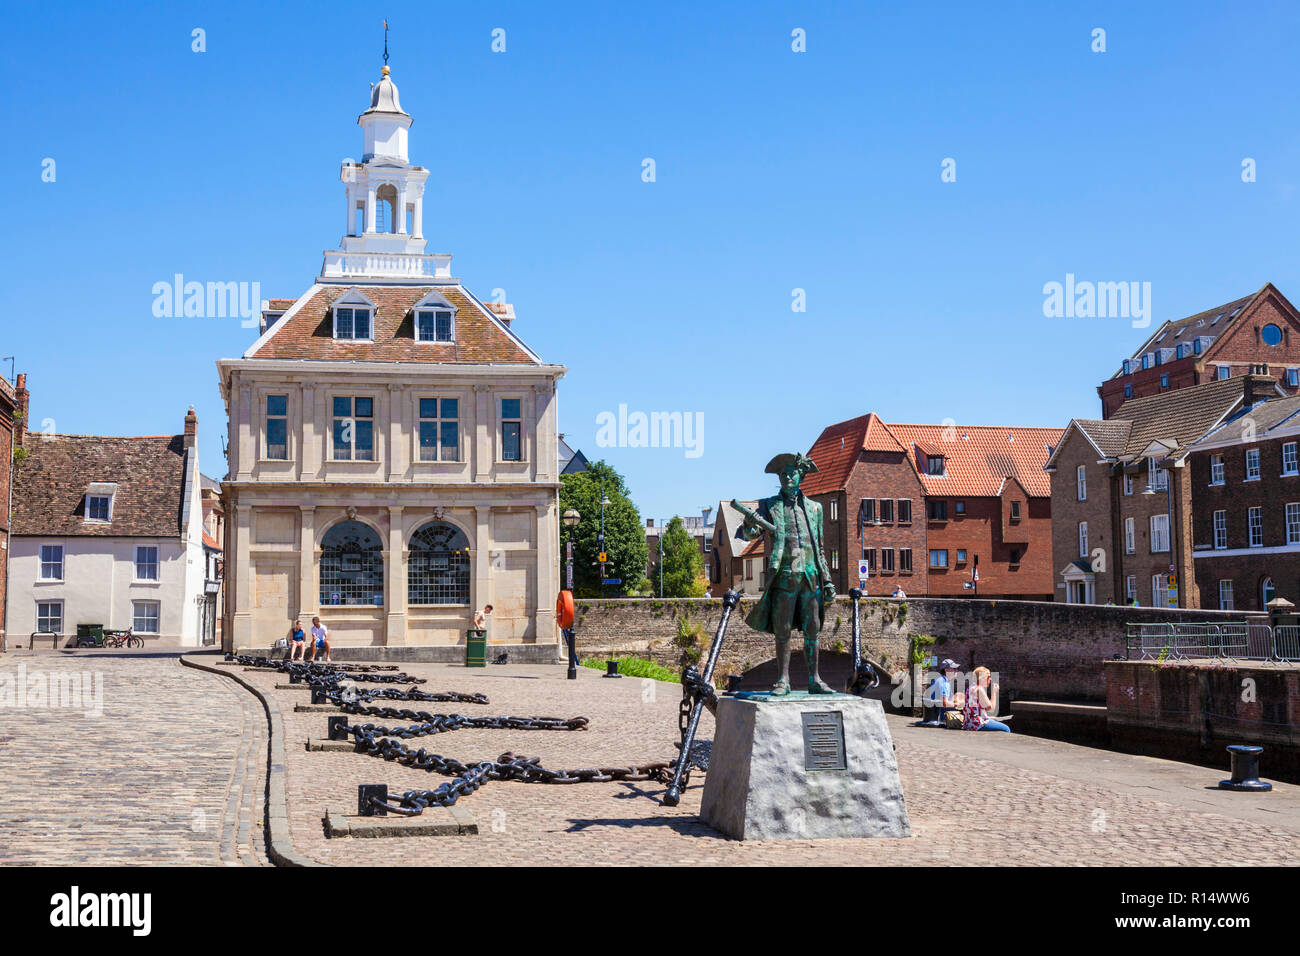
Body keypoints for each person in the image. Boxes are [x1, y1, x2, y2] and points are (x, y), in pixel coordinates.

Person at [962, 665, 1010, 732]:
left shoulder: (970, 688)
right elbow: (991, 709)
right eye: (989, 677)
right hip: (976, 724)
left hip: (968, 723)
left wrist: (989, 718)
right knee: (1006, 729)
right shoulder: (979, 689)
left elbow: (975, 711)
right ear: (982, 678)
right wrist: (994, 692)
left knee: (994, 721)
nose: (990, 679)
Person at [923, 659, 961, 727]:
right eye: (954, 669)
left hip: (931, 713)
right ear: (946, 670)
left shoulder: (940, 679)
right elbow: (945, 703)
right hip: (939, 715)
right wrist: (957, 704)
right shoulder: (944, 683)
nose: (956, 671)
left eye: (956, 669)